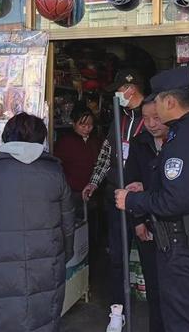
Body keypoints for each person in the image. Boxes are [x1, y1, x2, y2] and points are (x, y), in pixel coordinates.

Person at [115, 67, 189, 332]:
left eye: (158, 101)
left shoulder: (183, 140)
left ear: (170, 102)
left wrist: (132, 201)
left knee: (180, 321)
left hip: (182, 244)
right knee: (180, 313)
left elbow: (175, 201)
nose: (154, 110)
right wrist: (149, 187)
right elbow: (187, 186)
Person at [0, 112, 76, 332]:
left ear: (7, 136)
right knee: (40, 320)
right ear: (41, 138)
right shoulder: (54, 172)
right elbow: (67, 223)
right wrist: (63, 255)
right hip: (44, 266)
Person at [82, 69, 145, 309]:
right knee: (117, 256)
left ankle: (156, 313)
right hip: (115, 197)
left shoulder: (152, 117)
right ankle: (117, 309)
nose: (116, 96)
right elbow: (106, 155)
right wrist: (94, 182)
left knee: (150, 255)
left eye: (118, 91)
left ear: (130, 89)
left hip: (143, 200)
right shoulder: (120, 118)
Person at [123, 100, 169, 332]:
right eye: (146, 118)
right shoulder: (139, 143)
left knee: (176, 288)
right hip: (148, 223)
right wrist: (139, 221)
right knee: (153, 283)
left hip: (175, 225)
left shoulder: (179, 142)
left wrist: (148, 188)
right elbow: (131, 184)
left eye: (156, 118)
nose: (151, 124)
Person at [54, 103, 102, 220]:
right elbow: (57, 168)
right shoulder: (65, 142)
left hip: (93, 193)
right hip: (72, 194)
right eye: (82, 125)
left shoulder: (96, 141)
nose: (87, 128)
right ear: (74, 123)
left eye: (90, 125)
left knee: (94, 224)